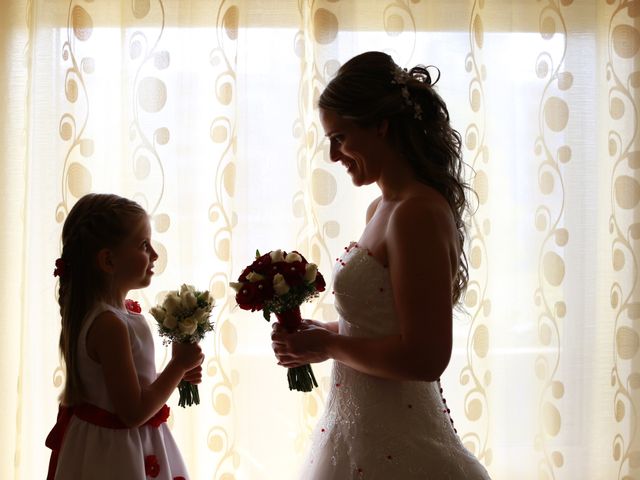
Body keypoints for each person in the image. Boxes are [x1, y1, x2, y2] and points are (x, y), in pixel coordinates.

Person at [271, 51, 491, 479]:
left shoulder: (417, 213)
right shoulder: (380, 208)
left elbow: (425, 357)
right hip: (356, 427)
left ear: (381, 126)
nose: (334, 156)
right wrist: (319, 333)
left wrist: (329, 347)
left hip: (400, 441)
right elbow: (384, 325)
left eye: (340, 137)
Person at [45, 193, 204, 480]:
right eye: (144, 245)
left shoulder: (114, 315)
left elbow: (125, 387)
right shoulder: (110, 325)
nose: (154, 255)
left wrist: (174, 376)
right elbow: (132, 412)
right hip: (119, 455)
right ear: (108, 260)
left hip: (113, 446)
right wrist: (178, 366)